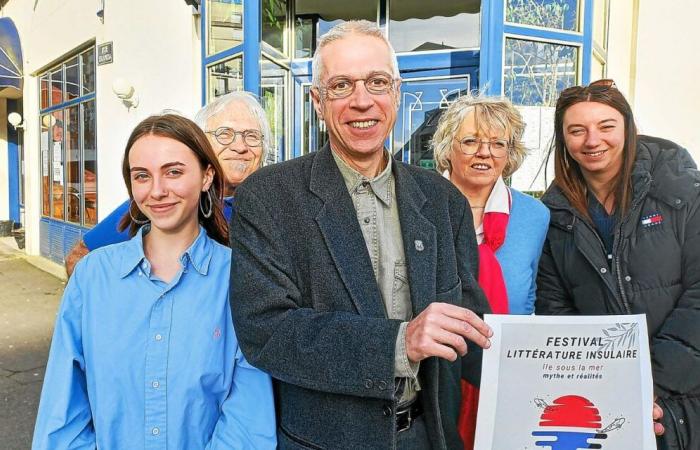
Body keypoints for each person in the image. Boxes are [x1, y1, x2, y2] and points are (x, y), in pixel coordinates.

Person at [229, 20, 492, 450]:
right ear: (317, 100)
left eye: (377, 82)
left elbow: (469, 325)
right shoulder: (270, 196)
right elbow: (266, 330)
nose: (362, 101)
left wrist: (562, 385)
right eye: (341, 86)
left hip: (428, 438)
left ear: (397, 92)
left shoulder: (444, 200)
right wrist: (399, 342)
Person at [32, 114, 276, 449]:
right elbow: (63, 416)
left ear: (207, 176)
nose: (157, 191)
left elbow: (248, 422)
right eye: (142, 176)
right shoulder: (92, 279)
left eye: (174, 172)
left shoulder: (239, 278)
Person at [535, 79, 699, 450]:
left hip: (687, 394)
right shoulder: (556, 214)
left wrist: (651, 383)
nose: (593, 141)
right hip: (609, 403)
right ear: (564, 140)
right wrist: (604, 387)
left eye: (606, 126)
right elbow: (555, 308)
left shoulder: (680, 190)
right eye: (577, 130)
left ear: (627, 126)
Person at [432, 94, 549, 448]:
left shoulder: (534, 216)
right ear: (447, 147)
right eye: (470, 141)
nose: (485, 153)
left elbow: (530, 299)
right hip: (435, 374)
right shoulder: (419, 204)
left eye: (498, 144)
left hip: (508, 372)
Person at [64, 91, 271, 276]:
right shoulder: (164, 202)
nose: (240, 146)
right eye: (225, 134)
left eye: (252, 136)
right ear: (201, 144)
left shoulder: (274, 206)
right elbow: (78, 259)